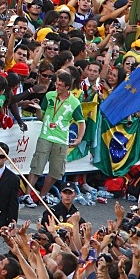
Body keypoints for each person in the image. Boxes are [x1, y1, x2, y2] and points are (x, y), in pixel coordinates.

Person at [24, 71, 84, 205]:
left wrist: (79, 138)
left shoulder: (74, 102)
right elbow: (41, 116)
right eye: (56, 84)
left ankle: (42, 195)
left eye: (60, 85)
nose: (57, 87)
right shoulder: (50, 96)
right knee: (36, 167)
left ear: (68, 87)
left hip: (61, 140)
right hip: (45, 136)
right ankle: (27, 195)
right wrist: (38, 109)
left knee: (56, 171)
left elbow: (81, 122)